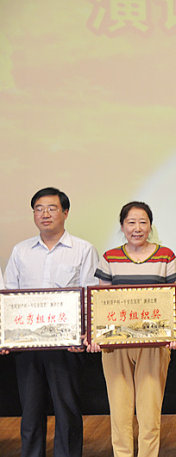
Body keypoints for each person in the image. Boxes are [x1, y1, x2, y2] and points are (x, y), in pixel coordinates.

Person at [3, 187, 99, 457]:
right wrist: (6, 336)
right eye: (39, 209)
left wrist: (83, 335)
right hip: (27, 344)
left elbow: (90, 295)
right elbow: (9, 295)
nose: (45, 214)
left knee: (67, 408)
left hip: (66, 344)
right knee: (30, 409)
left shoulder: (83, 249)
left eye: (52, 208)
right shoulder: (20, 251)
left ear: (65, 213)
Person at [89, 201, 176, 457]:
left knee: (149, 411)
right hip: (116, 345)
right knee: (119, 410)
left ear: (150, 226)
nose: (137, 228)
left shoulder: (166, 256)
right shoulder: (110, 257)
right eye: (131, 222)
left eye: (143, 222)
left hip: (154, 343)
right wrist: (97, 334)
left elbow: (175, 299)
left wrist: (173, 330)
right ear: (122, 226)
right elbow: (102, 300)